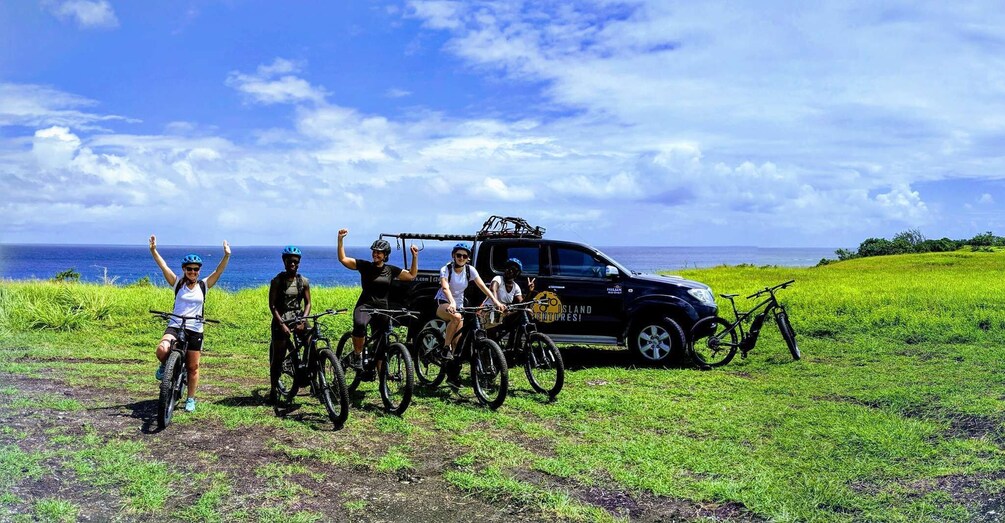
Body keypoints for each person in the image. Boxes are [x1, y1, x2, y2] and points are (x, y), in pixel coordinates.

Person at [150, 235, 231, 413]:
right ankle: (165, 366)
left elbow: (218, 272)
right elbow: (163, 266)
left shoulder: (204, 285)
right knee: (162, 349)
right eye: (189, 269)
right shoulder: (177, 283)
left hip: (195, 328)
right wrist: (154, 250)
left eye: (195, 269)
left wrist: (226, 255)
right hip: (176, 324)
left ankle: (191, 399)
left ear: (199, 271)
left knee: (193, 367)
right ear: (184, 269)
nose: (192, 272)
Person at [337, 229, 418, 369]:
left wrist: (415, 256)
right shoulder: (365, 266)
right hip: (365, 305)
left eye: (379, 252)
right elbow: (343, 259)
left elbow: (411, 275)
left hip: (382, 308)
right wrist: (340, 240)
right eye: (374, 251)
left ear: (385, 255)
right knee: (360, 325)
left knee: (381, 344)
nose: (375, 254)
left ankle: (382, 380)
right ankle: (357, 356)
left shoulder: (391, 270)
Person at [435, 243, 505, 362]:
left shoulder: (470, 270)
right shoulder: (446, 269)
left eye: (464, 256)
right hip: (444, 302)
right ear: (453, 255)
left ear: (468, 258)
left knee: (457, 342)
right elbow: (445, 287)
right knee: (456, 317)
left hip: (459, 305)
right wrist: (452, 303)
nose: (461, 258)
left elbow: (483, 286)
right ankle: (445, 348)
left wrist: (496, 301)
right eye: (458, 255)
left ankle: (449, 370)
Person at [268, 246, 311, 404]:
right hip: (281, 318)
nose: (292, 263)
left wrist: (303, 320)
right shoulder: (277, 281)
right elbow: (272, 305)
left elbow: (308, 304)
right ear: (284, 261)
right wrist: (282, 325)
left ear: (299, 262)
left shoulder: (303, 281)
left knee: (312, 342)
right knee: (278, 357)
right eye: (289, 261)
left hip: (297, 316)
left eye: (295, 261)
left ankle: (310, 375)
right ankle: (273, 390)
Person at [482, 258, 535, 329]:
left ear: (518, 273)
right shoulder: (498, 279)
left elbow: (522, 304)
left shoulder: (516, 287)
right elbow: (493, 290)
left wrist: (529, 291)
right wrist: (498, 304)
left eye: (514, 270)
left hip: (502, 314)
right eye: (509, 268)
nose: (510, 271)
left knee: (523, 313)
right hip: (490, 312)